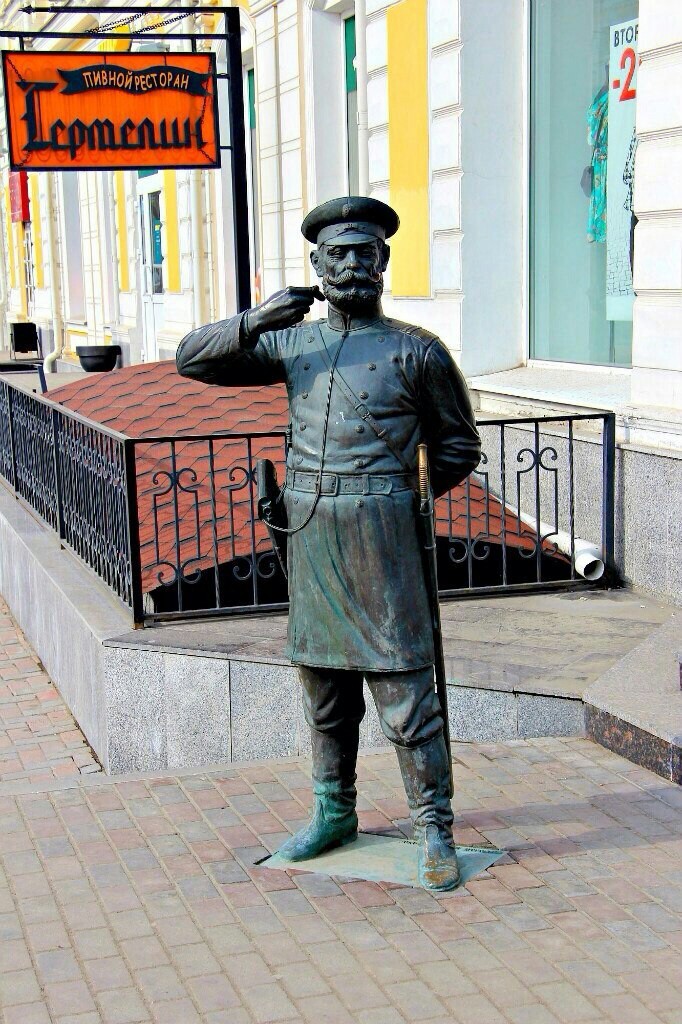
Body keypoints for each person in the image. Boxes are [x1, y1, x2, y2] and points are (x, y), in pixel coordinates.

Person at [177, 196, 481, 890]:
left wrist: (400, 501)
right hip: (313, 535)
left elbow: (458, 445)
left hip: (383, 537)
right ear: (316, 264)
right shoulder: (293, 344)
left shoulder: (417, 350)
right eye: (337, 255)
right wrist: (257, 318)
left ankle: (433, 824)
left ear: (384, 263)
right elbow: (192, 360)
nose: (351, 266)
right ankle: (332, 811)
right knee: (323, 688)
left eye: (364, 254)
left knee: (406, 689)